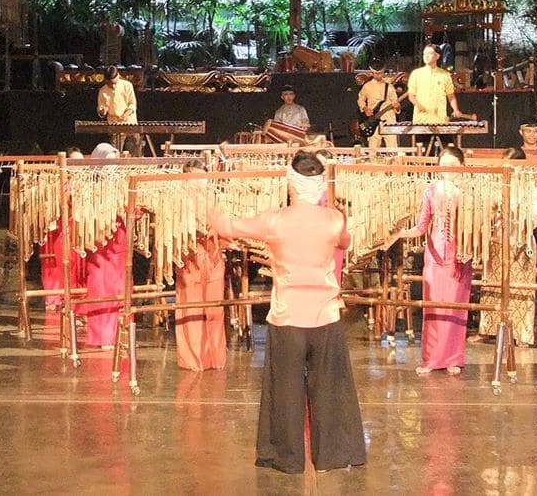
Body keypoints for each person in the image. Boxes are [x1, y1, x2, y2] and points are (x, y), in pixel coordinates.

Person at [208, 151, 365, 474]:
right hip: (325, 319)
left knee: (286, 392)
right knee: (330, 389)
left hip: (288, 318)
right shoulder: (335, 219)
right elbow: (345, 243)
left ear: (291, 184)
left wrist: (206, 198)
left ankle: (285, 456)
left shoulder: (275, 219)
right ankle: (334, 455)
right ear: (319, 184)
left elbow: (228, 226)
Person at [388, 145, 472, 375]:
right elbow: (421, 226)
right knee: (433, 305)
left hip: (459, 254)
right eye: (444, 165)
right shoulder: (431, 190)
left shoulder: (470, 192)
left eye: (454, 165)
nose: (449, 169)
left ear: (462, 167)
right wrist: (399, 233)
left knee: (456, 307)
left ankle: (454, 358)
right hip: (435, 253)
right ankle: (432, 358)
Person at [478, 147, 537, 345]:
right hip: (497, 240)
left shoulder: (530, 188)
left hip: (521, 242)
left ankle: (522, 334)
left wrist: (523, 221)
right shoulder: (495, 186)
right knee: (492, 286)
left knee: (521, 289)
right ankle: (488, 329)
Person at [174, 160, 228, 370]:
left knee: (215, 308)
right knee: (191, 307)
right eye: (195, 178)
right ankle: (194, 359)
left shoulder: (214, 199)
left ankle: (216, 357)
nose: (199, 183)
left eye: (202, 178)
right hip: (190, 257)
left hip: (213, 256)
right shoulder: (178, 201)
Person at [81, 143, 126, 348]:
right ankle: (101, 336)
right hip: (100, 246)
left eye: (114, 164)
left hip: (120, 246)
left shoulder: (123, 187)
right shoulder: (89, 189)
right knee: (100, 290)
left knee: (120, 290)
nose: (112, 169)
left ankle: (120, 334)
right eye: (108, 164)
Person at [40, 148, 86, 312]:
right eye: (75, 162)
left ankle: (79, 303)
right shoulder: (58, 184)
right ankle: (63, 301)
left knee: (81, 267)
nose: (78, 166)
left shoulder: (85, 184)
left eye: (81, 162)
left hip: (82, 231)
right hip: (63, 231)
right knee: (64, 267)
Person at [407, 44, 471, 124]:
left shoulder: (445, 75)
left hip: (440, 120)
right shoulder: (416, 74)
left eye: (429, 53)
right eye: (424, 54)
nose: (426, 56)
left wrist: (456, 110)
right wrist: (420, 106)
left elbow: (451, 96)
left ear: (437, 56)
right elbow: (411, 95)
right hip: (421, 120)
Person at [356, 59, 400, 149]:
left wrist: (397, 107)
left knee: (392, 148)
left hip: (389, 120)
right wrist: (365, 108)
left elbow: (396, 104)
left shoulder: (389, 86)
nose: (378, 75)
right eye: (376, 73)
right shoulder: (367, 86)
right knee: (373, 149)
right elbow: (360, 99)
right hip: (372, 121)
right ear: (372, 73)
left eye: (380, 73)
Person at [97, 66, 140, 156]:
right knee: (114, 154)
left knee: (134, 152)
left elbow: (132, 104)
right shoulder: (103, 91)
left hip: (130, 122)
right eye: (109, 83)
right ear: (105, 80)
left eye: (114, 83)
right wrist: (103, 111)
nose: (112, 85)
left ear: (118, 76)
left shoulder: (127, 85)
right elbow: (101, 110)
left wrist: (126, 114)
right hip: (114, 124)